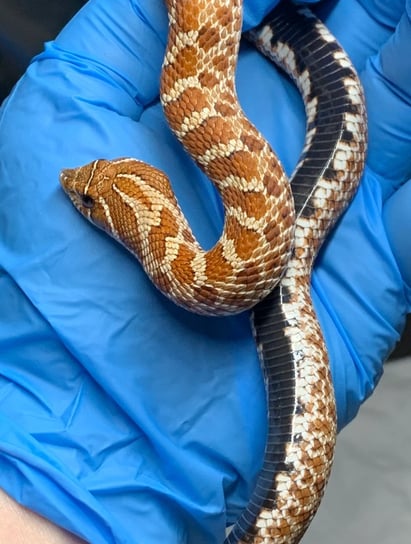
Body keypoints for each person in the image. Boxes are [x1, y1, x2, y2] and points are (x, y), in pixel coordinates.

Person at [0, 0, 409, 542]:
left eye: (91, 196)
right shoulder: (191, 263)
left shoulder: (187, 233)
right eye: (90, 198)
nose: (75, 186)